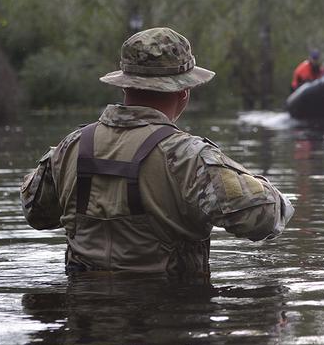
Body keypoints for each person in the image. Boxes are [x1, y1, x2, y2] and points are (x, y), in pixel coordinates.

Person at [20, 27, 294, 279]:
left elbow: (36, 214)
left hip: (84, 321)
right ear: (184, 92)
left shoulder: (70, 147)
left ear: (125, 86)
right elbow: (266, 217)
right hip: (170, 318)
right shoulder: (188, 157)